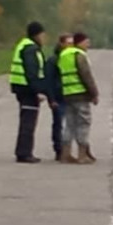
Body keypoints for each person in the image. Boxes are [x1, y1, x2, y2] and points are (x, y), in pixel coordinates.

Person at [8, 21, 49, 164]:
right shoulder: (31, 49)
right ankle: (24, 153)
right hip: (27, 90)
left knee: (26, 120)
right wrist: (38, 91)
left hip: (21, 88)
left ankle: (23, 151)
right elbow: (32, 72)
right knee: (28, 122)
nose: (44, 37)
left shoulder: (23, 45)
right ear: (37, 34)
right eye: (42, 34)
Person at [58, 32, 99, 165]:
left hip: (67, 94)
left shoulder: (63, 55)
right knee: (83, 124)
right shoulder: (79, 55)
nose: (88, 45)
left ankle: (65, 154)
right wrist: (94, 93)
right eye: (87, 42)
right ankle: (82, 155)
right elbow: (86, 75)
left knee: (69, 125)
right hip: (80, 94)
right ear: (80, 42)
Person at [44, 33, 73, 161]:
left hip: (71, 95)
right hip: (58, 96)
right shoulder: (53, 60)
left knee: (71, 124)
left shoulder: (73, 58)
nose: (70, 46)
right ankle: (59, 150)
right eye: (68, 43)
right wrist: (51, 99)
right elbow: (48, 80)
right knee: (58, 123)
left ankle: (68, 150)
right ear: (61, 44)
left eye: (72, 43)